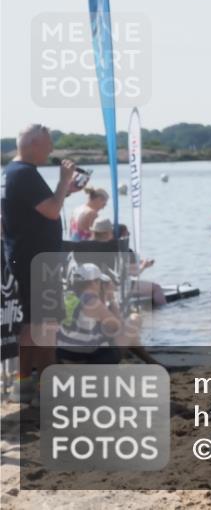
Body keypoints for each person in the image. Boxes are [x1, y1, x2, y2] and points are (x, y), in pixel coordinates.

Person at [1, 124, 83, 402]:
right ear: (34, 144)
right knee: (45, 326)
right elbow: (50, 210)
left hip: (26, 257)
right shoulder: (24, 173)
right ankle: (44, 389)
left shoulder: (12, 172)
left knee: (34, 324)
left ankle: (25, 386)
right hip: (36, 260)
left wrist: (66, 191)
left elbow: (39, 207)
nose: (51, 151)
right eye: (48, 145)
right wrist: (63, 180)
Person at [55, 263, 127, 365]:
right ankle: (148, 361)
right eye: (100, 282)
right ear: (94, 282)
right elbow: (117, 327)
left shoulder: (69, 296)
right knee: (128, 331)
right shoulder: (91, 301)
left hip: (63, 353)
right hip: (82, 357)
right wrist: (111, 299)